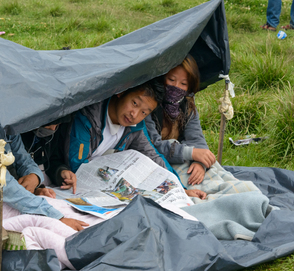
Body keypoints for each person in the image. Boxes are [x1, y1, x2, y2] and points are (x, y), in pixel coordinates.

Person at [62, 82, 206, 199]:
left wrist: (181, 189)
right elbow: (76, 165)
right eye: (135, 103)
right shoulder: (88, 118)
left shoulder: (134, 127)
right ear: (121, 92)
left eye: (144, 112)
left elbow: (153, 156)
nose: (134, 114)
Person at [145, 55, 215, 186]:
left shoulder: (187, 105)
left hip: (182, 160)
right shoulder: (149, 104)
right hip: (157, 162)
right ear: (162, 77)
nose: (176, 87)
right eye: (171, 80)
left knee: (213, 178)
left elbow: (196, 139)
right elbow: (151, 146)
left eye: (183, 84)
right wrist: (191, 153)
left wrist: (200, 163)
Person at [20, 115, 78, 193]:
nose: (53, 130)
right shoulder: (18, 136)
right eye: (47, 128)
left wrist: (61, 172)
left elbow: (52, 158)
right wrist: (36, 189)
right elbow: (14, 165)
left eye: (57, 125)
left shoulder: (54, 132)